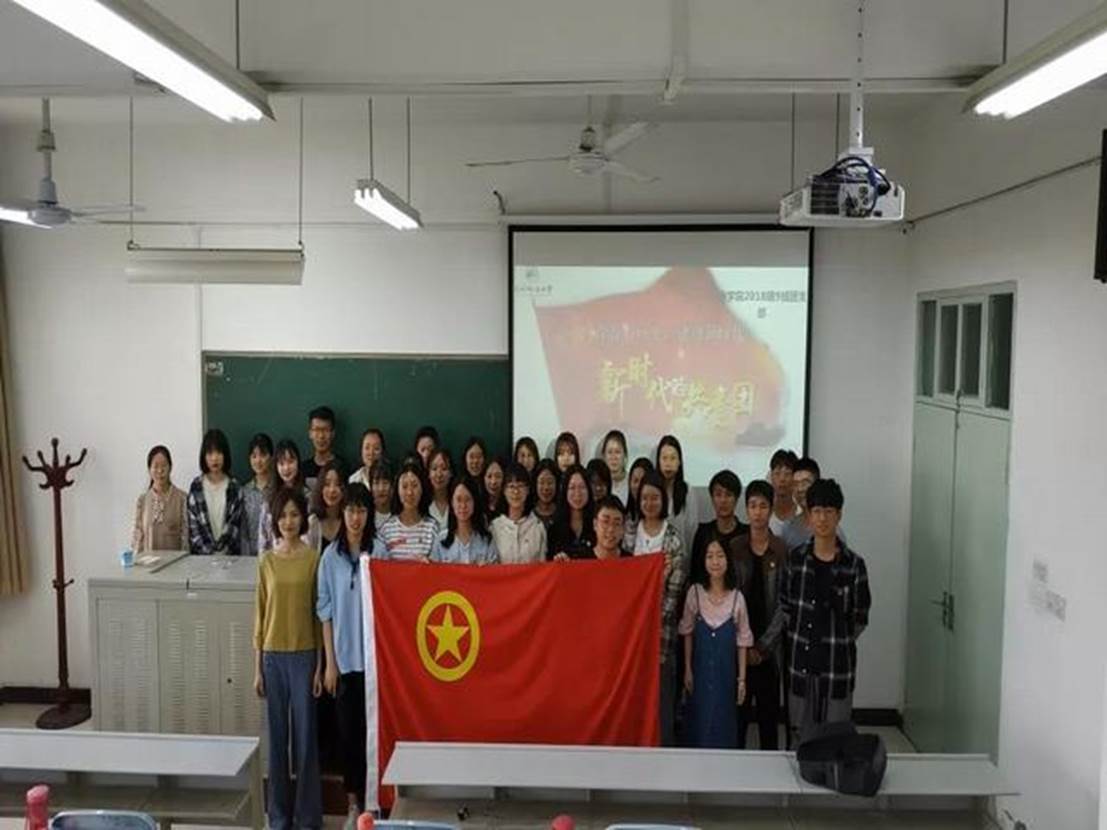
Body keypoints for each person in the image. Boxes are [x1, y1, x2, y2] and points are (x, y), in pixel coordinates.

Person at [780, 479, 871, 748]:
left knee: (836, 740)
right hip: (801, 665)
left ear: (839, 515)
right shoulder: (795, 560)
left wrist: (837, 638)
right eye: (817, 511)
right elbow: (786, 607)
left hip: (836, 666)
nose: (822, 518)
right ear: (808, 516)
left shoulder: (854, 565)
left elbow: (860, 617)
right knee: (801, 740)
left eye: (828, 511)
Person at [253, 487, 322, 830]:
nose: (289, 522)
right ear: (275, 521)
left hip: (305, 656)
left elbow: (318, 615)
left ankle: (307, 818)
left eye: (294, 515)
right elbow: (260, 615)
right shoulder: (266, 560)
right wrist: (257, 669)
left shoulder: (313, 559)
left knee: (305, 741)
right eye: (282, 516)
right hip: (272, 657)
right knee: (277, 742)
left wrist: (320, 665)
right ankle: (279, 818)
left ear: (303, 518)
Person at [317, 484, 381, 827]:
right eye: (350, 510)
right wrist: (330, 662)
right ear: (342, 514)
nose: (356, 518)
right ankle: (354, 804)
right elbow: (324, 611)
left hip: (374, 664)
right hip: (343, 662)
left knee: (373, 735)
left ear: (369, 515)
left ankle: (375, 804)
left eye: (361, 510)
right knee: (348, 737)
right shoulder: (330, 557)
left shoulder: (379, 551)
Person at [623, 469, 685, 745]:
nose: (649, 503)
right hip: (627, 641)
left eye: (655, 497)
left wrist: (647, 618)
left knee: (662, 709)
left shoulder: (673, 539)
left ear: (664, 500)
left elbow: (673, 593)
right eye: (645, 497)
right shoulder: (627, 534)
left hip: (661, 639)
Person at [680, 536, 753, 749]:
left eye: (720, 556)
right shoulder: (694, 593)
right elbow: (687, 633)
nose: (715, 562)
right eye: (710, 556)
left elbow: (743, 641)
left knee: (724, 724)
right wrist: (687, 669)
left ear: (728, 560)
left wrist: (741, 680)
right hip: (699, 675)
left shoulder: (737, 598)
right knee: (698, 723)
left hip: (726, 677)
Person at [730, 479, 787, 750]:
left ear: (771, 509)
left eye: (763, 506)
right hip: (739, 647)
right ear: (746, 509)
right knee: (738, 719)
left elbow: (785, 604)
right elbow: (729, 598)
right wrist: (743, 644)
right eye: (752, 505)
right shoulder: (735, 547)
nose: (757, 512)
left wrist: (763, 647)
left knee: (768, 721)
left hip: (769, 651)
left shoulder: (781, 549)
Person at [187, 428, 244, 556]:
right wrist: (210, 555)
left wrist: (221, 554)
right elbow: (194, 529)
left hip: (230, 559)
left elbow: (234, 527)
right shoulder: (196, 487)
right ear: (204, 456)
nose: (214, 458)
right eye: (210, 453)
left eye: (219, 452)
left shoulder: (235, 488)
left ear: (225, 455)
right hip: (201, 560)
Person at [688, 470, 747, 590]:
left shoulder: (746, 534)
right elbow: (695, 575)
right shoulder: (703, 533)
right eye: (718, 495)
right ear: (712, 498)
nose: (723, 500)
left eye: (728, 495)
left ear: (736, 499)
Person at [780, 457, 848, 551]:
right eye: (795, 484)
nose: (800, 489)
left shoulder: (832, 531)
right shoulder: (788, 528)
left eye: (805, 483)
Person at [257, 439, 312, 556]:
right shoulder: (269, 498)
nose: (286, 468)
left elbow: (310, 535)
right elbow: (263, 537)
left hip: (300, 558)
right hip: (274, 560)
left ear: (298, 463)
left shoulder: (307, 497)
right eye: (281, 463)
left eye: (290, 462)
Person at [377, 460, 438, 561]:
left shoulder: (432, 528)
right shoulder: (386, 530)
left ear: (422, 489)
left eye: (414, 486)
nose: (409, 492)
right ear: (397, 490)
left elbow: (439, 565)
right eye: (404, 487)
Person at [132, 444, 187, 553]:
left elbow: (186, 538)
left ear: (170, 467)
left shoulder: (182, 498)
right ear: (149, 469)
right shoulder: (142, 501)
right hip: (148, 562)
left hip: (176, 562)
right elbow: (137, 538)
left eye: (164, 466)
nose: (160, 471)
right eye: (155, 466)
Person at [431, 477, 499, 565]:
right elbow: (433, 571)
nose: (463, 506)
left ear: (474, 502)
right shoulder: (441, 540)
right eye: (458, 500)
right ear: (452, 502)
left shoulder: (486, 540)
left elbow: (495, 570)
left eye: (467, 500)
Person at [490, 462, 546, 563]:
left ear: (528, 490)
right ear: (504, 491)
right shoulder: (495, 528)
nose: (516, 492)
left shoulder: (538, 527)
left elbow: (543, 567)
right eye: (511, 486)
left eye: (520, 486)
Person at [656, 435, 697, 551]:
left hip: (681, 555)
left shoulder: (687, 490)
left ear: (679, 462)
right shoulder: (653, 490)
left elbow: (692, 528)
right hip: (655, 556)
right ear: (658, 461)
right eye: (664, 458)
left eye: (673, 458)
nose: (668, 463)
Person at [547, 464, 595, 560]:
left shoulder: (597, 524)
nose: (577, 493)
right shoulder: (554, 528)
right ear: (565, 491)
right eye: (572, 488)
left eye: (582, 487)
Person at [240, 434, 275, 558]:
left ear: (271, 457)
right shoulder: (245, 491)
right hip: (250, 557)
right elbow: (243, 531)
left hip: (274, 556)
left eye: (263, 455)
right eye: (254, 456)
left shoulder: (278, 490)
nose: (258, 460)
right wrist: (246, 558)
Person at [302, 406, 345, 488]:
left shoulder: (343, 467)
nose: (321, 436)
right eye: (317, 430)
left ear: (333, 433)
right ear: (310, 433)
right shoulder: (303, 469)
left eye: (325, 430)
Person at [308, 462, 346, 553]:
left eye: (337, 484)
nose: (332, 490)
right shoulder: (313, 522)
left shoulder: (348, 520)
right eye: (327, 484)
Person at [768, 449, 799, 536]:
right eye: (777, 473)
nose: (782, 479)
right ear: (771, 477)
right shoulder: (764, 513)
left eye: (787, 474)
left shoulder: (801, 512)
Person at [600, 429, 630, 505]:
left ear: (625, 455)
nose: (614, 457)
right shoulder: (599, 484)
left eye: (617, 452)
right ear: (603, 456)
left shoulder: (631, 481)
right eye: (610, 452)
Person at [426, 448, 453, 531]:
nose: (439, 474)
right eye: (434, 469)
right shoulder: (422, 503)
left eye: (444, 469)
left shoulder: (457, 502)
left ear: (451, 473)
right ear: (428, 473)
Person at [532, 459, 560, 529]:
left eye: (550, 482)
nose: (546, 488)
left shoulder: (562, 513)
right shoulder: (529, 513)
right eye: (542, 482)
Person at [625, 457, 654, 522]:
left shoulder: (657, 517)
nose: (638, 486)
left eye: (643, 481)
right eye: (635, 480)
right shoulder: (624, 517)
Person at [368, 458, 395, 529]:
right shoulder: (366, 514)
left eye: (385, 483)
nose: (381, 489)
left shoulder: (399, 514)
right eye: (376, 483)